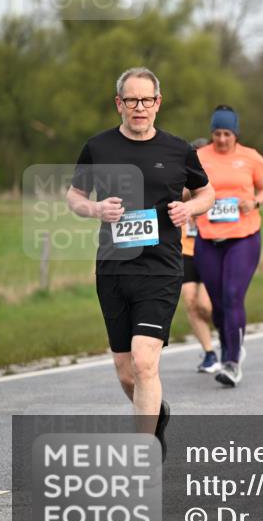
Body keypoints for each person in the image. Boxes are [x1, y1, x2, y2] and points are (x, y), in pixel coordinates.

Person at [67, 67, 214, 458]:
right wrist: (95, 208)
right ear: (119, 104)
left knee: (145, 361)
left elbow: (207, 192)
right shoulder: (98, 147)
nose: (139, 107)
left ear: (157, 103)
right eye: (131, 100)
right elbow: (74, 196)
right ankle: (155, 412)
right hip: (113, 268)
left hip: (162, 268)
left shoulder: (178, 149)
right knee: (126, 370)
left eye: (146, 100)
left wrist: (191, 208)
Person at [194, 106, 263, 387]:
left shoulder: (250, 157)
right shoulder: (199, 157)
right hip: (208, 238)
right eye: (217, 133)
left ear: (235, 134)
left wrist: (254, 202)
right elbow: (184, 188)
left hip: (244, 235)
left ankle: (231, 361)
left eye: (227, 133)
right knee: (217, 305)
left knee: (232, 295)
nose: (222, 139)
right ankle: (230, 340)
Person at [181, 138, 218, 372]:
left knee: (206, 304)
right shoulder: (180, 183)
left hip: (211, 247)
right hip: (185, 249)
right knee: (190, 302)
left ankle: (229, 334)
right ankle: (209, 353)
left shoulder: (213, 184)